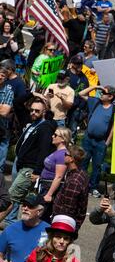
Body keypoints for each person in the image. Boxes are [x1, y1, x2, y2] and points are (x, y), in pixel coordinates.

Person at [4, 98, 55, 226]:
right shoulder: (33, 124)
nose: (33, 113)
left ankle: (9, 220)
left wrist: (37, 171)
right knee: (19, 196)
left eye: (37, 111)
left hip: (30, 168)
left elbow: (44, 150)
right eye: (31, 110)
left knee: (11, 196)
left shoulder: (45, 127)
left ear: (44, 112)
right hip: (22, 164)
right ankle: (11, 220)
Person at [78, 85, 115, 198]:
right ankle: (80, 183)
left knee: (97, 165)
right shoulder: (95, 102)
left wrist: (108, 141)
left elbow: (114, 126)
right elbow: (81, 94)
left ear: (110, 96)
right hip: (88, 138)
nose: (101, 94)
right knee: (83, 162)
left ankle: (93, 187)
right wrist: (95, 86)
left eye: (104, 93)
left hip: (101, 142)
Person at [0, 194, 49, 262]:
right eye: (24, 205)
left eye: (30, 206)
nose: (25, 208)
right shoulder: (10, 229)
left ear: (39, 211)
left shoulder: (49, 231)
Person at [37, 127, 71, 223]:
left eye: (55, 135)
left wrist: (49, 194)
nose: (52, 136)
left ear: (63, 139)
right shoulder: (57, 152)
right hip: (45, 185)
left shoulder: (62, 155)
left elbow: (59, 176)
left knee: (42, 215)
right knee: (40, 214)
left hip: (49, 187)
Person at [52, 145, 89, 231]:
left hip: (63, 223)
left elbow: (68, 208)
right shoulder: (81, 173)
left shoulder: (74, 181)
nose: (64, 155)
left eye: (66, 154)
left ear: (71, 159)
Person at [0, 68, 14, 173]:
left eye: (3, 75)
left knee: (3, 146)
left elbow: (4, 112)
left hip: (2, 126)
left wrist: (3, 108)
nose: (0, 77)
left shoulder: (9, 92)